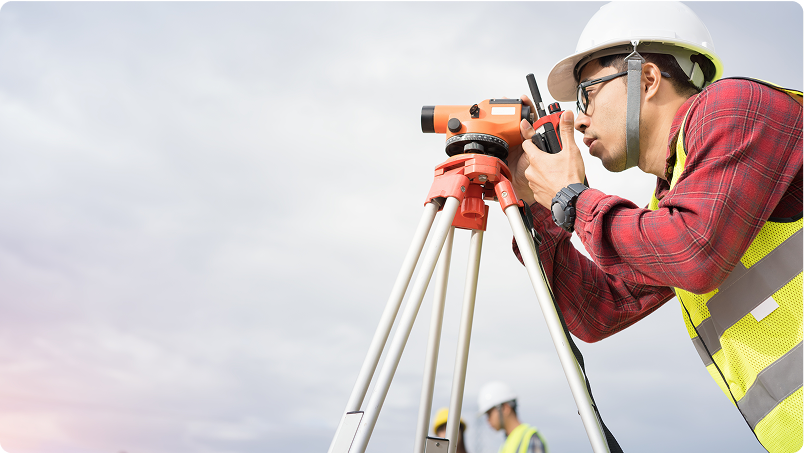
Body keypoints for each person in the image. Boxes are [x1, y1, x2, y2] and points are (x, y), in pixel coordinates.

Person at [506, 2, 802, 453]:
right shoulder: (673, 197)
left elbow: (694, 252)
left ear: (646, 79)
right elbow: (599, 310)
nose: (579, 117)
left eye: (587, 92)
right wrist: (536, 207)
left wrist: (573, 199)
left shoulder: (737, 109)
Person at [477, 381, 548, 453]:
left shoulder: (530, 438)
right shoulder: (506, 444)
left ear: (505, 408)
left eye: (489, 413)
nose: (488, 420)